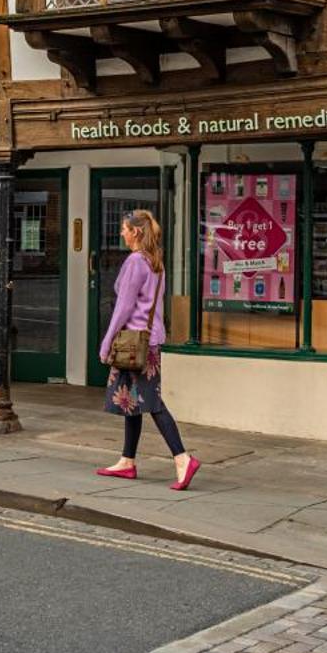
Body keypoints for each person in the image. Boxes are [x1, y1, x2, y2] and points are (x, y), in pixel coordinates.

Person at [95, 209, 199, 491]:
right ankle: (127, 460)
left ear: (136, 232)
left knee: (152, 402)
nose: (121, 233)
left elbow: (123, 307)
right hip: (149, 341)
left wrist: (106, 342)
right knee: (132, 401)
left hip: (133, 344)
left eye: (125, 229)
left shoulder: (135, 262)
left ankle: (182, 458)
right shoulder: (156, 262)